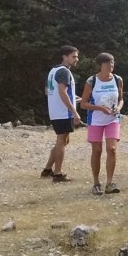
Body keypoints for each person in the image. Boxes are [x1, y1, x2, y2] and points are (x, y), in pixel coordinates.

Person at [80, 53, 124, 195]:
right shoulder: (91, 81)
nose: (111, 66)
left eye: (112, 63)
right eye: (107, 64)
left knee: (112, 149)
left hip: (113, 119)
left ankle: (110, 183)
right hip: (96, 121)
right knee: (97, 151)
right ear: (101, 65)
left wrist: (118, 108)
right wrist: (100, 108)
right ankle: (96, 182)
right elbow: (83, 104)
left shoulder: (118, 80)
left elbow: (121, 99)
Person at [43, 45, 82, 182]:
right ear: (64, 56)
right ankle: (58, 174)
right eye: (73, 56)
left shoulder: (53, 70)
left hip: (55, 111)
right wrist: (74, 111)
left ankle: (47, 169)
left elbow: (49, 91)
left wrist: (74, 98)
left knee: (63, 140)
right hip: (63, 113)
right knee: (61, 141)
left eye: (77, 56)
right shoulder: (64, 71)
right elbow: (62, 92)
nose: (76, 59)